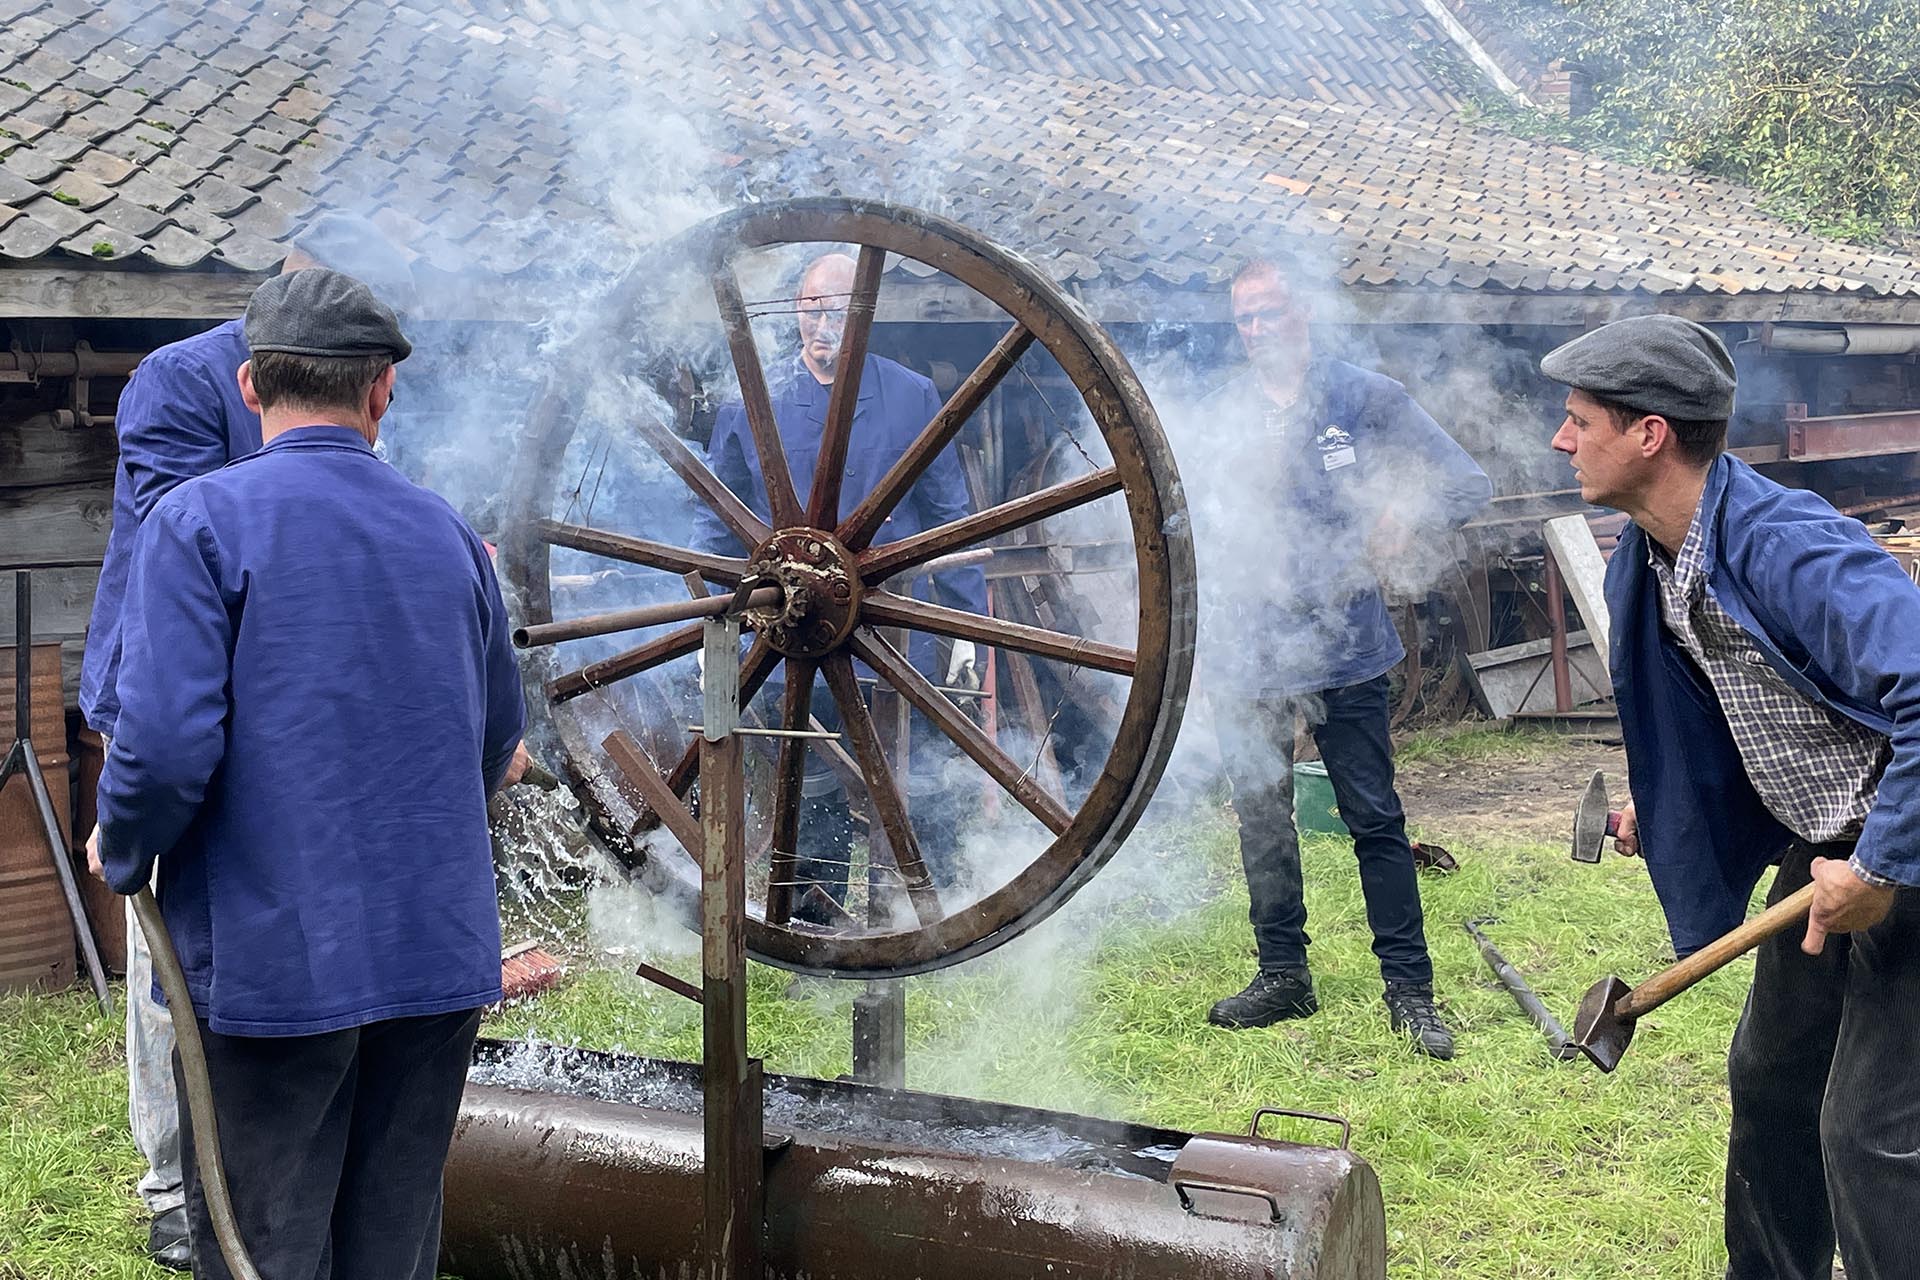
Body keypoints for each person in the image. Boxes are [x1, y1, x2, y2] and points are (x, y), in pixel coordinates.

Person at [87, 268, 524, 1279]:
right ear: (383, 392)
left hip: (274, 966)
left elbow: (163, 747)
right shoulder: (453, 534)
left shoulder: (195, 524)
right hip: (432, 958)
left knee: (265, 1248)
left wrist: (126, 837)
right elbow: (493, 739)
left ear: (249, 387)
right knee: (392, 1245)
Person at [1542, 315, 1919, 1280]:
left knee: (1869, 1137)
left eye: (1580, 419)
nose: (1561, 438)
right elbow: (1743, 715)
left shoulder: (1789, 544)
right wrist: (1664, 810)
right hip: (1825, 839)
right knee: (1771, 1083)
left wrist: (1881, 867)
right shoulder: (1655, 556)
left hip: (1902, 836)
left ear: (1651, 433)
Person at [76, 211, 415, 1269]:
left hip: (305, 707)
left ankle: (285, 1168)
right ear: (296, 272)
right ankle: (176, 1184)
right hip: (174, 685)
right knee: (174, 939)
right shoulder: (183, 379)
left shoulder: (368, 367)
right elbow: (181, 534)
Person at [1195, 255, 1490, 1058]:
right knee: (1261, 818)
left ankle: (1410, 989)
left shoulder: (1364, 395)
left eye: (1270, 315)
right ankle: (1283, 976)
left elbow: (1466, 482)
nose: (1257, 332)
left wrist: (1401, 512)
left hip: (1347, 645)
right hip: (1249, 646)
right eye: (1245, 320)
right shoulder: (1224, 412)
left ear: (1304, 317)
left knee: (1375, 820)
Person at [691, 251, 987, 925]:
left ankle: (916, 918)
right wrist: (713, 627)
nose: (821, 324)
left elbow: (952, 521)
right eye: (810, 307)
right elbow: (717, 523)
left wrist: (968, 632)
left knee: (909, 776)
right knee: (811, 778)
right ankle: (815, 923)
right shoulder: (755, 402)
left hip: (891, 627)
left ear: (865, 317)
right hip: (795, 627)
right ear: (795, 310)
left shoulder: (910, 396)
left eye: (837, 310)